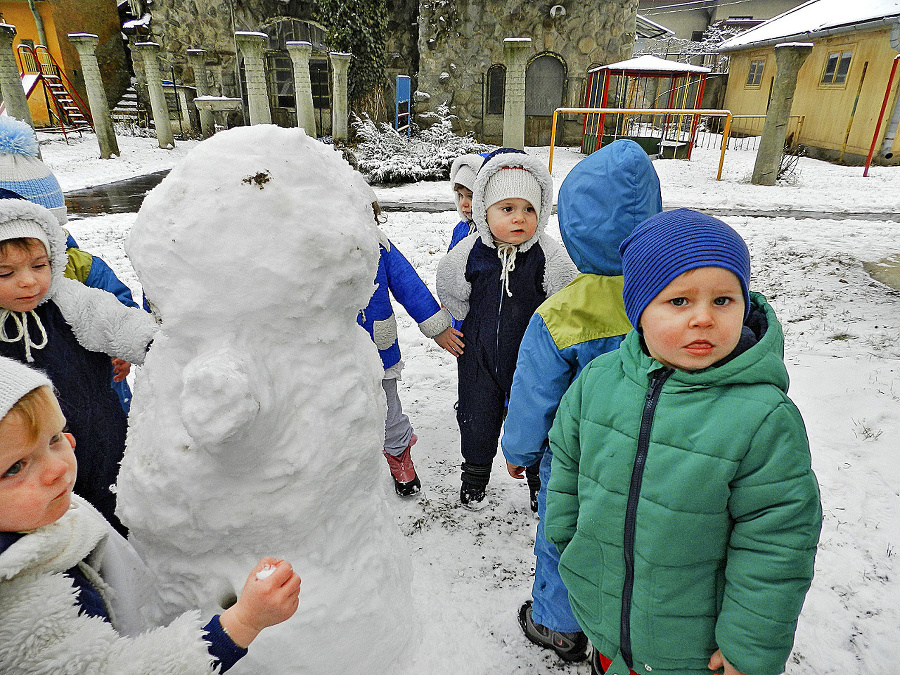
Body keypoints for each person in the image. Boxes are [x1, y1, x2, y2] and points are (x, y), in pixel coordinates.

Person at [545, 209, 822, 675]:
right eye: (678, 302)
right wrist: (571, 547)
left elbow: (777, 544)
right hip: (606, 623)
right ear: (639, 310)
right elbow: (567, 466)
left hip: (692, 650)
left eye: (723, 300)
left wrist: (748, 648)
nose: (703, 319)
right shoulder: (598, 382)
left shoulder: (763, 419)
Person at [0, 356, 302, 672]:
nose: (57, 467)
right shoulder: (19, 601)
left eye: (55, 438)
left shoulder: (33, 514)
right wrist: (242, 623)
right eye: (15, 467)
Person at [501, 139, 662, 663]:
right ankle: (624, 633)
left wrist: (520, 450)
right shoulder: (670, 299)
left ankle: (558, 625)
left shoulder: (562, 313)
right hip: (658, 457)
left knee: (562, 537)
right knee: (638, 545)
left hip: (576, 459)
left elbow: (535, 392)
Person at [0, 199, 157, 534]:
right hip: (29, 457)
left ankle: (128, 556)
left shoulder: (66, 298)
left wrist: (157, 346)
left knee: (116, 503)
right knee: (53, 518)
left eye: (39, 266)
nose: (28, 282)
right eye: (6, 273)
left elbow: (113, 320)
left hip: (100, 430)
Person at [436, 148, 578, 509]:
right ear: (485, 210)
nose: (520, 218)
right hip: (478, 355)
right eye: (507, 208)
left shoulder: (547, 254)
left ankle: (537, 479)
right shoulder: (471, 251)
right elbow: (452, 285)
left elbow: (565, 292)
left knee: (537, 416)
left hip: (533, 359)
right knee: (476, 415)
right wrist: (455, 318)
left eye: (529, 209)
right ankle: (475, 474)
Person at [0, 114, 139, 413]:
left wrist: (121, 352)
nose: (28, 279)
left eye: (40, 260)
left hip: (100, 392)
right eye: (6, 270)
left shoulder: (83, 267)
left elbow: (121, 310)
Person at [358, 202, 463, 497]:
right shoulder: (304, 247)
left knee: (389, 407)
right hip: (327, 351)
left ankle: (398, 454)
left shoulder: (379, 247)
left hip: (377, 346)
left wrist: (438, 328)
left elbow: (409, 286)